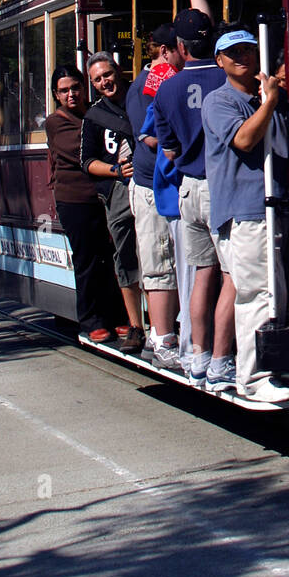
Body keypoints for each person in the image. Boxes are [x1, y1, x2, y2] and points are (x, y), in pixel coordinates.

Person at [201, 29, 289, 404]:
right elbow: (243, 140)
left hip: (273, 205)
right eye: (232, 52)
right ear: (219, 61)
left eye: (248, 50)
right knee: (257, 292)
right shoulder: (218, 101)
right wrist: (269, 103)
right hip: (245, 211)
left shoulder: (266, 97)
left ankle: (273, 362)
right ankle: (252, 377)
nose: (241, 56)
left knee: (278, 292)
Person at [153, 8, 235, 391]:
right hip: (223, 186)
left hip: (188, 187)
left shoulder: (166, 89)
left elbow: (167, 151)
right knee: (234, 274)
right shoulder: (228, 77)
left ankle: (199, 356)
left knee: (203, 274)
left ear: (181, 48)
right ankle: (222, 358)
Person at [45, 65, 125, 345]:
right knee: (88, 261)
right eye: (64, 91)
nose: (71, 95)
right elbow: (82, 148)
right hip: (75, 200)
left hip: (102, 196)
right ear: (56, 95)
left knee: (111, 257)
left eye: (75, 88)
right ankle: (92, 321)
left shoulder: (96, 112)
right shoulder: (56, 122)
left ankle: (118, 317)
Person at [125, 23, 185, 370]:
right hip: (151, 187)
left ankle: (172, 333)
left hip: (172, 187)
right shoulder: (144, 89)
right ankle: (161, 339)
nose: (185, 55)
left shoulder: (169, 81)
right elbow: (149, 137)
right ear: (165, 51)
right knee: (159, 262)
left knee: (178, 262)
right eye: (180, 49)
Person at [80, 53, 145, 352]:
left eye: (107, 74)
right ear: (92, 84)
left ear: (118, 71)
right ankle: (135, 325)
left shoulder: (139, 96)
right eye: (97, 79)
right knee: (125, 256)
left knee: (158, 252)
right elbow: (87, 161)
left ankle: (162, 325)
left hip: (148, 187)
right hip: (117, 193)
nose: (105, 82)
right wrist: (115, 170)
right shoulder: (94, 117)